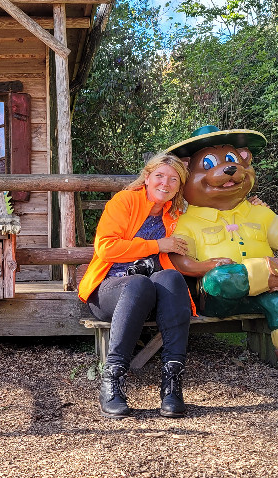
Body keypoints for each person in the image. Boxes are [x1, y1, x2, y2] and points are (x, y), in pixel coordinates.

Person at [78, 153, 194, 419]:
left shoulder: (175, 213)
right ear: (147, 177)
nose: (165, 183)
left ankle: (172, 386)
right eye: (160, 176)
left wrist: (256, 205)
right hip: (110, 289)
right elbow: (105, 248)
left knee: (173, 278)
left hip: (152, 295)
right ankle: (112, 382)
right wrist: (157, 245)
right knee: (139, 284)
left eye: (173, 179)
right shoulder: (124, 201)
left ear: (179, 186)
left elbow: (216, 209)